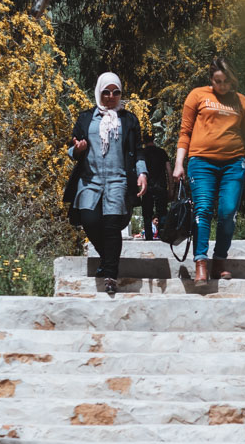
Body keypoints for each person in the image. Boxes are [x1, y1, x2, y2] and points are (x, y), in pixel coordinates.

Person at [173, 55, 245, 284]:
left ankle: (219, 261)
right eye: (217, 81)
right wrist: (179, 164)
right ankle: (201, 262)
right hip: (201, 163)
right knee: (202, 211)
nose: (221, 86)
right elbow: (185, 133)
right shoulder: (197, 95)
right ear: (211, 79)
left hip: (233, 164)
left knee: (228, 212)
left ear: (233, 81)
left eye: (226, 82)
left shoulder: (241, 102)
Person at [63, 72, 148, 295]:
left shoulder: (129, 120)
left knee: (111, 226)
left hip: (118, 179)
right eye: (106, 92)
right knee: (89, 220)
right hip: (90, 180)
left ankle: (110, 274)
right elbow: (71, 149)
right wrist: (78, 149)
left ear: (121, 94)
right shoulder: (85, 118)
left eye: (116, 92)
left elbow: (138, 150)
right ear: (99, 92)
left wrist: (142, 173)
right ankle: (108, 259)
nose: (111, 96)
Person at [141, 131, 174, 242]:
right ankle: (163, 236)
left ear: (143, 140)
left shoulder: (142, 153)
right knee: (162, 212)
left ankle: (149, 237)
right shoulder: (162, 153)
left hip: (147, 188)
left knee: (147, 213)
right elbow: (169, 171)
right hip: (161, 187)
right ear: (154, 138)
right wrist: (171, 189)